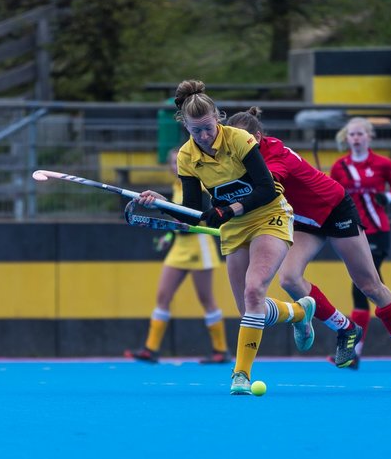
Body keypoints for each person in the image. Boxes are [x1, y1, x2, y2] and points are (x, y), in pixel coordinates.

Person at [134, 80, 314, 395]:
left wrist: (230, 208)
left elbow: (266, 188)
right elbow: (192, 210)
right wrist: (160, 205)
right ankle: (299, 311)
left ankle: (240, 375)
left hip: (269, 215)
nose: (204, 137)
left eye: (208, 128)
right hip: (234, 228)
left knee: (255, 289)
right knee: (249, 309)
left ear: (218, 117)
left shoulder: (240, 140)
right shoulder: (187, 157)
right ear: (185, 127)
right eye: (195, 131)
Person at [225, 108, 391, 391]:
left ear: (257, 138)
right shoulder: (239, 157)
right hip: (304, 219)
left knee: (370, 285)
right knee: (290, 279)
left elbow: (266, 186)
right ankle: (345, 328)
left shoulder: (275, 153)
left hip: (333, 209)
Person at [327, 116, 391, 374]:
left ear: (369, 137)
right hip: (352, 233)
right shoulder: (340, 167)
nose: (356, 138)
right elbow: (332, 194)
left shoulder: (383, 164)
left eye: (361, 134)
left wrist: (388, 196)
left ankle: (354, 353)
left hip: (377, 232)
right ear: (346, 138)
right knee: (372, 288)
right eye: (352, 134)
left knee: (363, 288)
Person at [123, 148, 229, 365]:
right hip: (179, 247)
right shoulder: (175, 186)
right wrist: (170, 235)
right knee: (163, 295)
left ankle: (221, 350)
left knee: (206, 299)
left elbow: (198, 217)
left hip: (199, 247)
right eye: (171, 163)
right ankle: (150, 349)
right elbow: (178, 217)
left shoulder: (198, 185)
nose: (174, 166)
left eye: (177, 162)